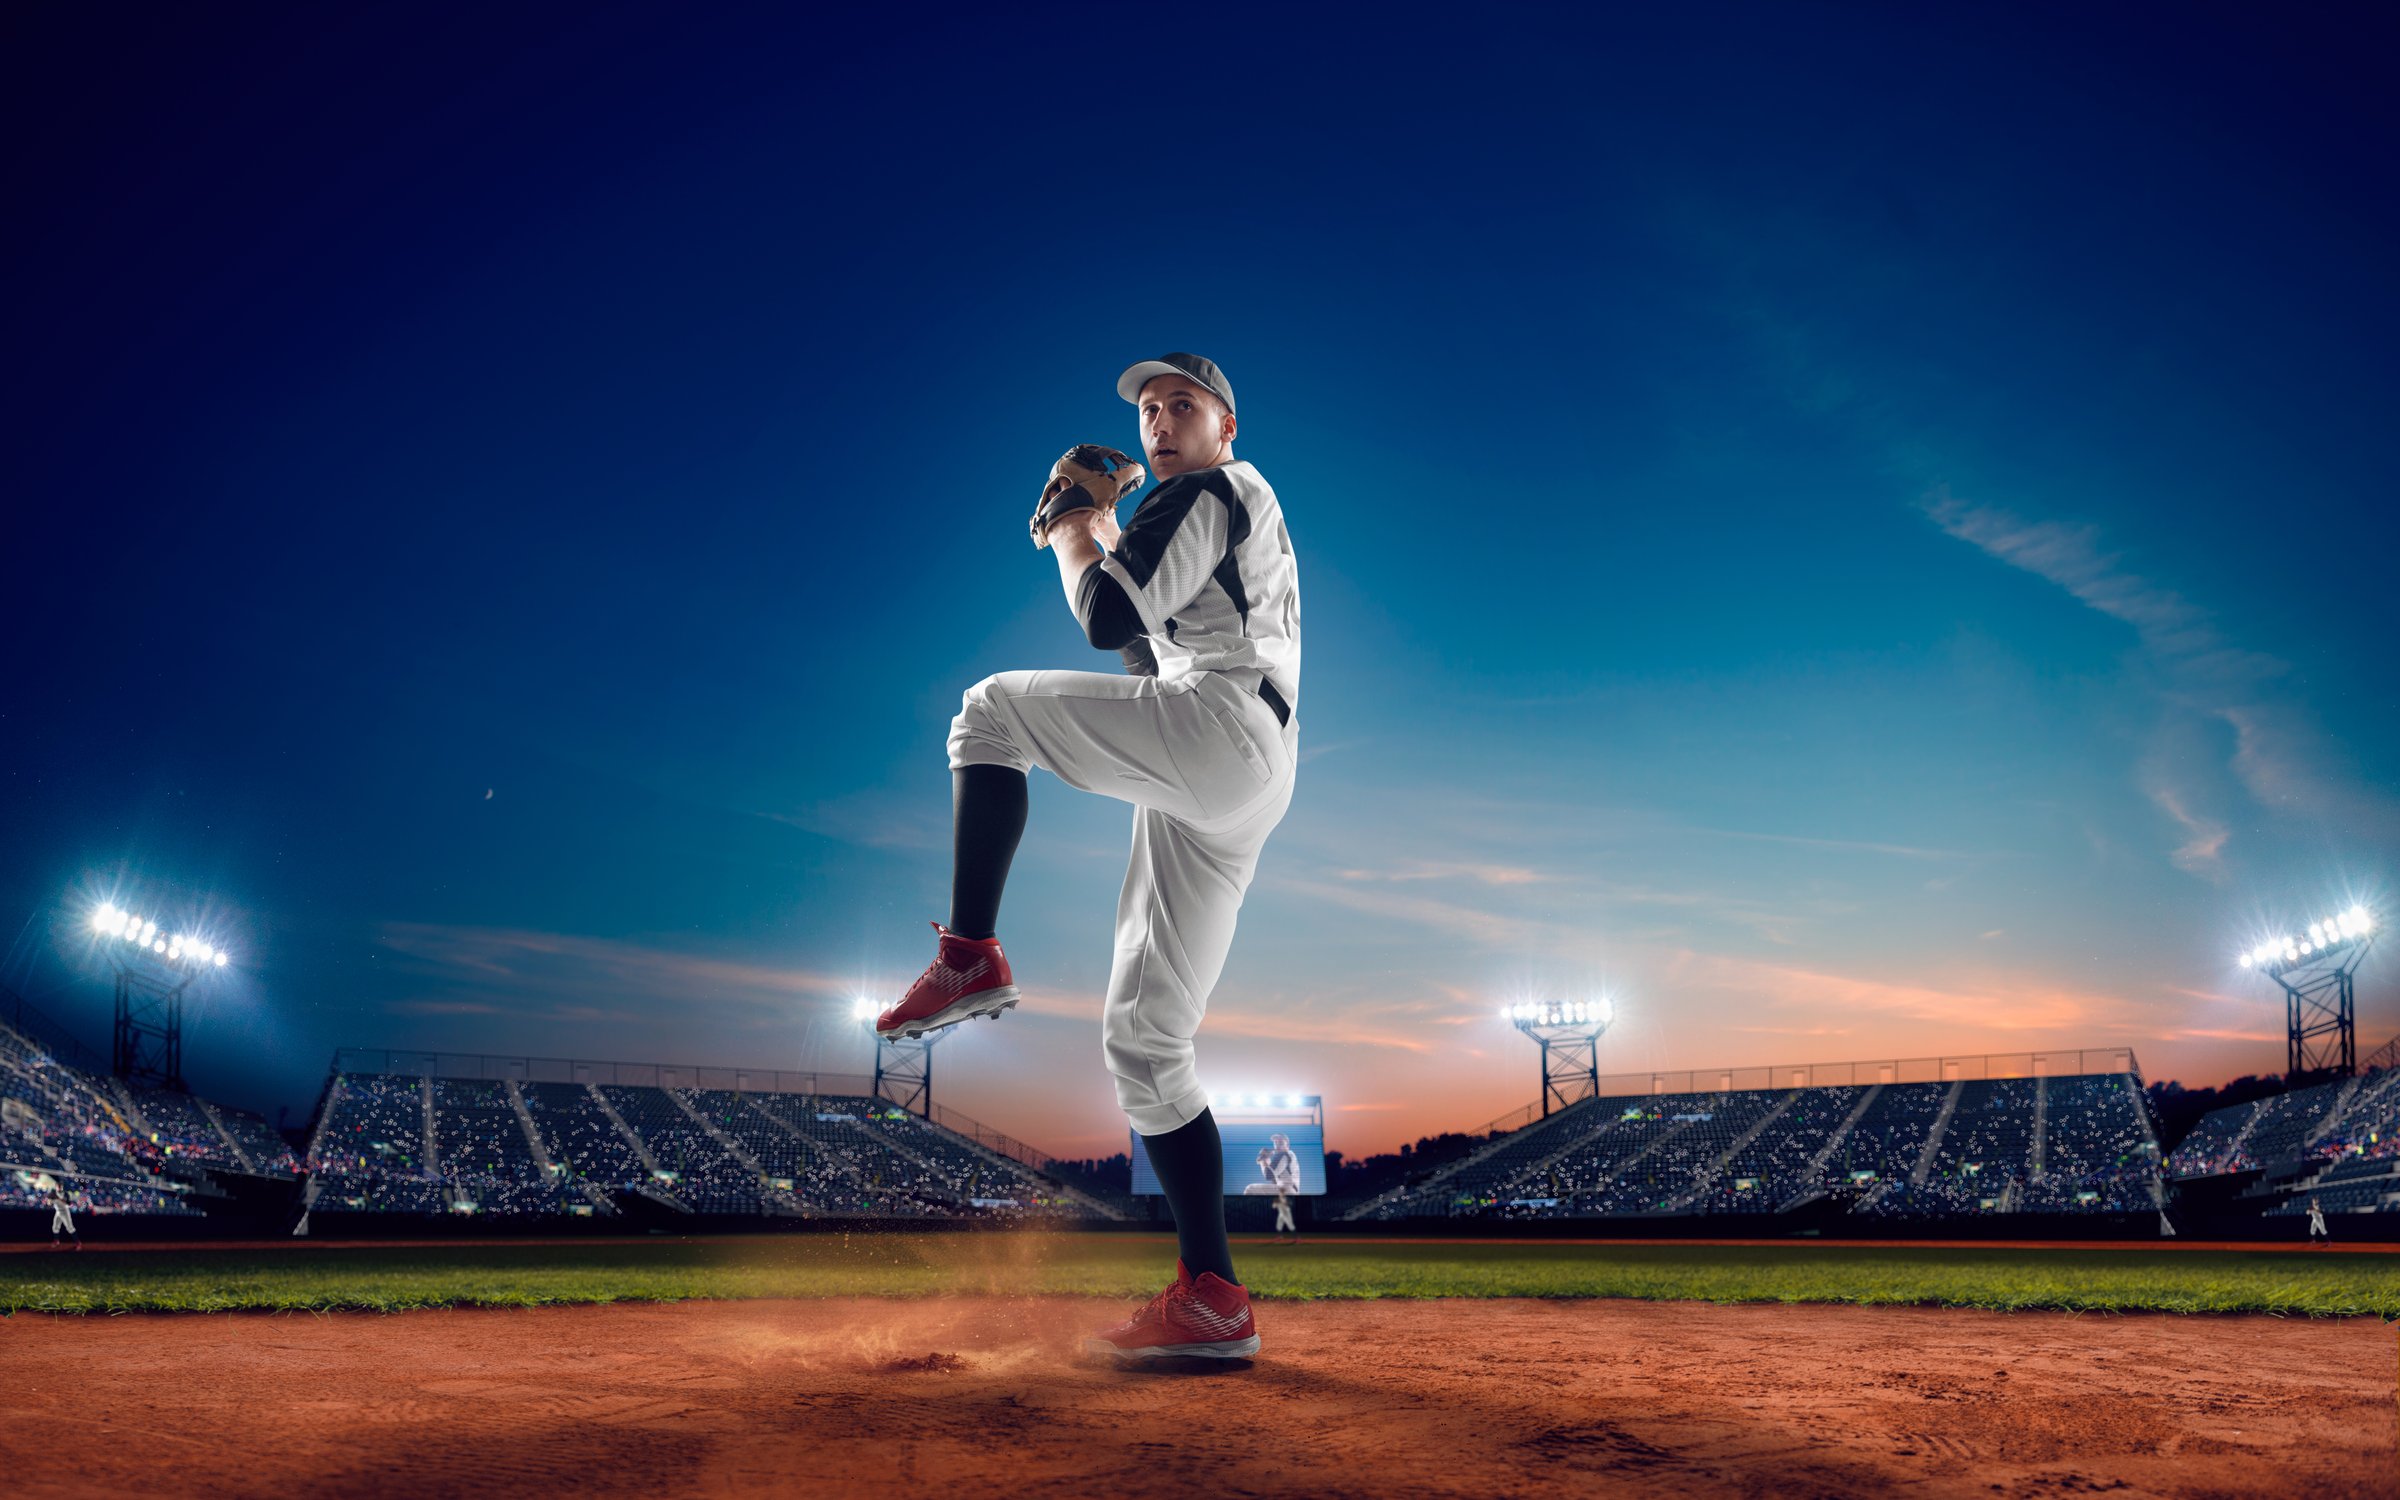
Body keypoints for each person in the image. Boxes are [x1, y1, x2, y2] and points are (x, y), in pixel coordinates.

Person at [875, 352, 1300, 1363]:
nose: (1160, 422)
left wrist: (1076, 532)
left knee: (988, 713)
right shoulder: (1208, 508)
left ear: (1224, 427)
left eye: (1182, 406)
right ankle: (1215, 1299)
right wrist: (1104, 536)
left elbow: (1107, 611)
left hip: (1221, 727)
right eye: (1149, 408)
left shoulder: (1207, 486)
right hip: (1239, 762)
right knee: (1147, 1044)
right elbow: (1143, 648)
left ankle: (970, 951)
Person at [45, 1180, 79, 1251]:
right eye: (58, 1186)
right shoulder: (53, 1193)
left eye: (61, 1186)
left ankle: (78, 1243)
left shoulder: (65, 1194)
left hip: (65, 1211)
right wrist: (50, 1202)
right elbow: (48, 1202)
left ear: (62, 1187)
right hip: (58, 1211)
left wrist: (61, 1200)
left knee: (70, 1228)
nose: (59, 1188)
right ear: (56, 1187)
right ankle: (56, 1241)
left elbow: (70, 1204)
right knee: (55, 1227)